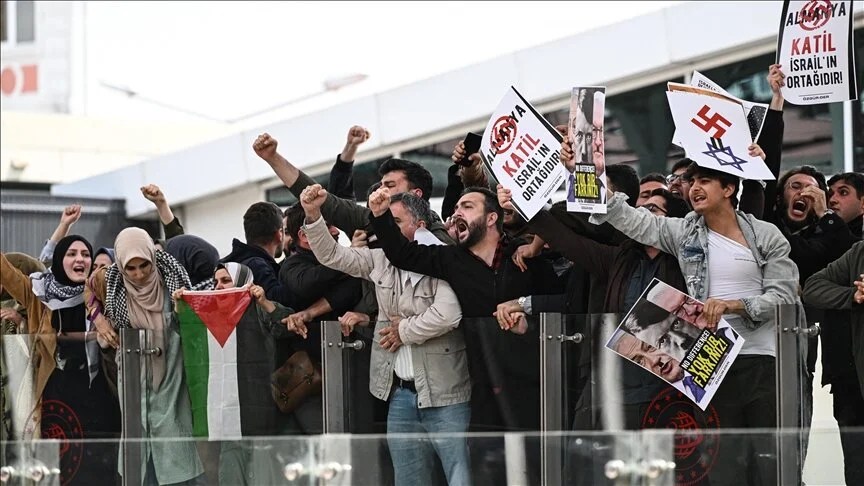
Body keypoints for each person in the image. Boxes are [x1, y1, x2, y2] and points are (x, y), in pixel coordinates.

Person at [590, 161, 800, 486]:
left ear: (729, 189)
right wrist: (583, 170)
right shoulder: (684, 231)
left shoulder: (765, 234)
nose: (695, 188)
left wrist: (735, 305)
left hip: (762, 359)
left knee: (770, 462)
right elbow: (630, 219)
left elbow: (784, 297)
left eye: (705, 180)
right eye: (692, 181)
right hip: (709, 361)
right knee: (723, 466)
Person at [301, 183, 471, 486]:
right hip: (401, 395)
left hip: (446, 395)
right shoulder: (379, 258)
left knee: (459, 477)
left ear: (419, 226)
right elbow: (333, 256)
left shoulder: (441, 257)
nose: (384, 230)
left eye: (394, 222)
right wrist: (313, 215)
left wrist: (403, 330)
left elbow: (449, 314)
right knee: (407, 479)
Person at [86, 227, 205, 485]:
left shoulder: (173, 281)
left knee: (177, 459)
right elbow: (88, 288)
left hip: (172, 380)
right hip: (133, 384)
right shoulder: (113, 283)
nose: (139, 274)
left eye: (144, 266)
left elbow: (195, 321)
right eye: (131, 268)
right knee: (138, 463)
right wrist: (99, 321)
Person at [2, 236, 121, 485]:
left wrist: (98, 316)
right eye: (71, 253)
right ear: (58, 260)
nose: (80, 259)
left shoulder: (99, 291)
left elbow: (125, 268)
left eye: (85, 254)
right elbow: (8, 274)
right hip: (55, 403)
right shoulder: (38, 295)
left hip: (98, 403)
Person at [253, 132, 453, 244]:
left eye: (390, 186)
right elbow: (322, 197)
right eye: (381, 184)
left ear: (414, 194)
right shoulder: (367, 221)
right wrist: (273, 157)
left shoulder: (437, 235)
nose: (379, 191)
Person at [803, 242, 864, 486]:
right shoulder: (859, 252)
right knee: (857, 469)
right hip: (853, 383)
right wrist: (853, 295)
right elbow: (812, 287)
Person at [221, 202, 293, 306]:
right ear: (279, 234)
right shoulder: (258, 266)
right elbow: (280, 307)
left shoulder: (226, 266)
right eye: (286, 232)